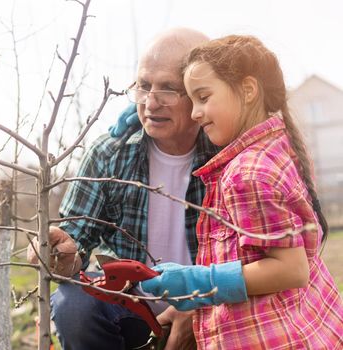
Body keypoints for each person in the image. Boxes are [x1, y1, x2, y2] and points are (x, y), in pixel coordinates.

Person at [141, 35, 343, 349]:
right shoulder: (279, 146)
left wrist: (198, 282)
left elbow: (291, 268)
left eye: (203, 97)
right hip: (300, 325)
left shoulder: (247, 173)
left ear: (248, 91)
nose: (195, 112)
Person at [28, 27, 220, 350]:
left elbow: (258, 262)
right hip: (137, 314)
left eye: (168, 89)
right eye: (143, 86)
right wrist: (62, 254)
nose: (151, 102)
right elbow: (77, 242)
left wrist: (201, 307)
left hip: (218, 308)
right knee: (73, 305)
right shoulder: (109, 155)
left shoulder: (226, 154)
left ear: (199, 93)